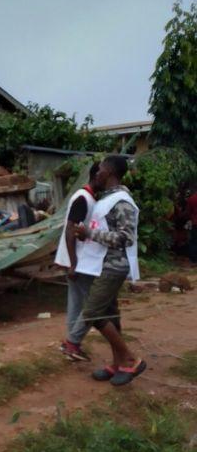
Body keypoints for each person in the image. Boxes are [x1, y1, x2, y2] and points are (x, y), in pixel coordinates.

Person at [73, 155, 145, 386]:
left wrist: (89, 234)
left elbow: (126, 238)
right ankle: (117, 364)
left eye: (101, 168)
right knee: (111, 316)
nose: (97, 172)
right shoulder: (108, 199)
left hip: (114, 266)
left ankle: (130, 359)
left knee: (93, 312)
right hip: (101, 264)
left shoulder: (122, 201)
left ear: (111, 173)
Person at [54, 162, 102, 361]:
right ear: (97, 176)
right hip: (78, 261)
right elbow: (70, 230)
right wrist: (74, 263)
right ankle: (73, 342)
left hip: (76, 260)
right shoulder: (83, 198)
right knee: (94, 304)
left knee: (76, 303)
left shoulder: (88, 198)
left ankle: (71, 344)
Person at [186, 183, 197, 263]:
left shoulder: (191, 199)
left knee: (193, 241)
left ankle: (193, 259)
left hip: (195, 222)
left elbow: (188, 212)